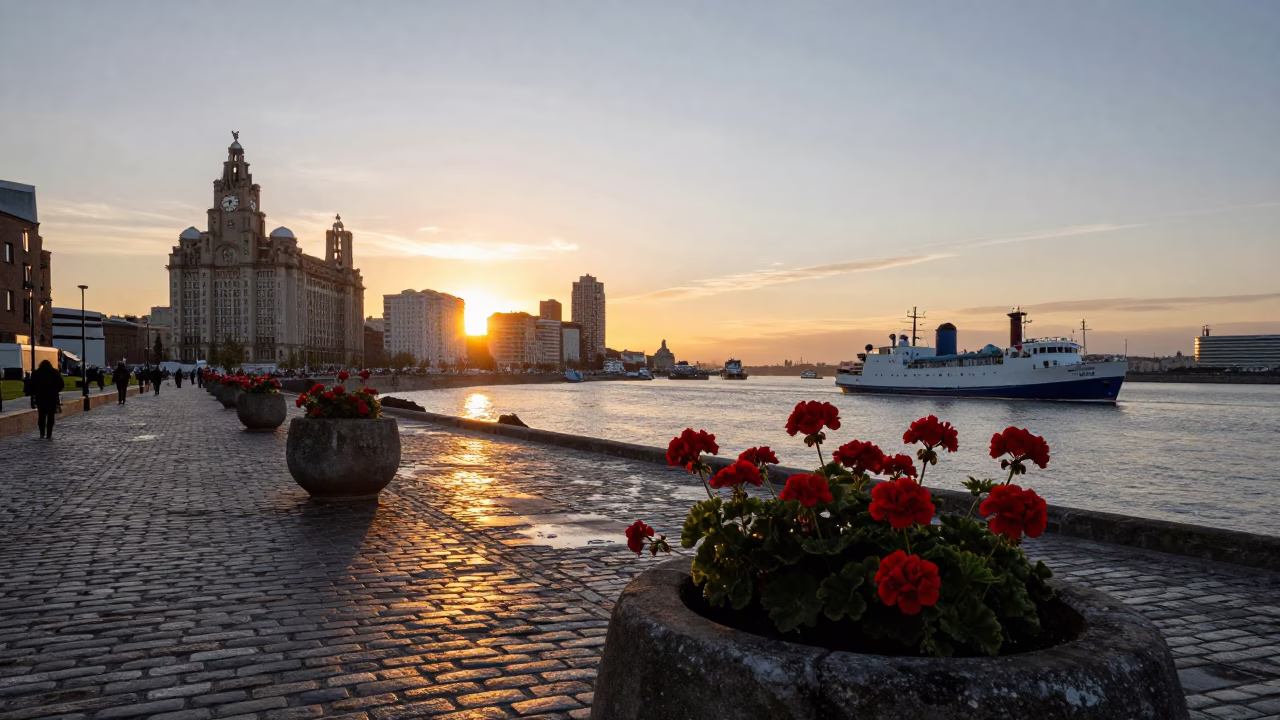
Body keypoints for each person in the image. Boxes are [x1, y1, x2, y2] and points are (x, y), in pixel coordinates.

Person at [29, 360, 64, 440]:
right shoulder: (54, 372)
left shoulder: (36, 373)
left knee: (41, 416)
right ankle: (49, 434)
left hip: (40, 397)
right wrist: (55, 390)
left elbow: (32, 385)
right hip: (52, 397)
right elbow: (61, 384)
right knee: (51, 416)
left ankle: (42, 434)